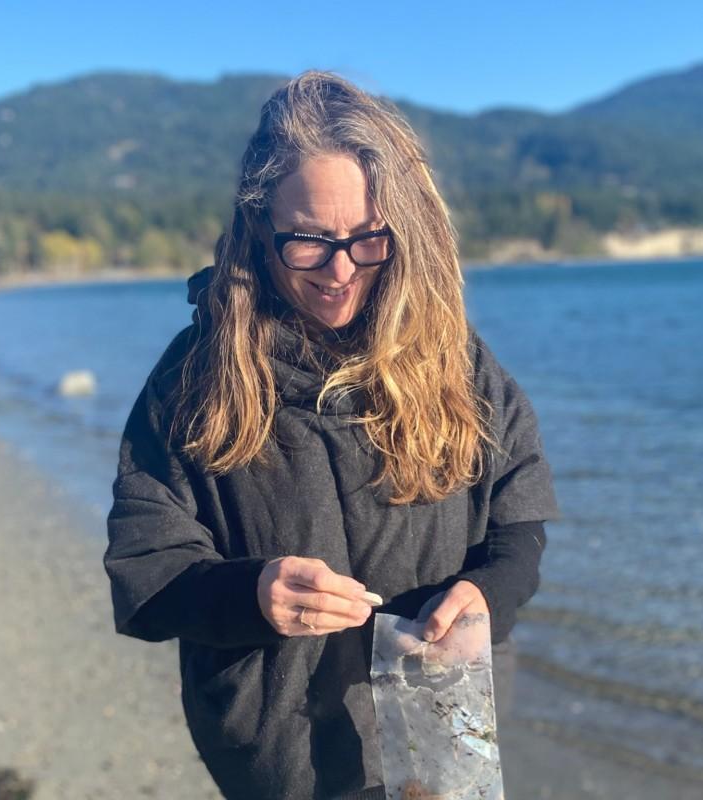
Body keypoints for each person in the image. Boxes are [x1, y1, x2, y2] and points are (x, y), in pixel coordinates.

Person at [104, 71, 558, 800]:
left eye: (368, 239)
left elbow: (520, 520)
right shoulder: (193, 380)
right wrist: (250, 595)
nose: (341, 270)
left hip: (444, 739)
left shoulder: (455, 359)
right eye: (309, 241)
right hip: (281, 759)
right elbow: (146, 575)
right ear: (259, 227)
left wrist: (489, 591)